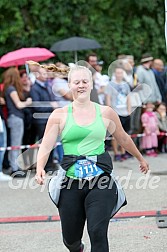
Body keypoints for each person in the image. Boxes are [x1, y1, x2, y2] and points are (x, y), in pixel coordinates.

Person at [35, 63, 149, 252]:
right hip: (70, 182)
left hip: (101, 181)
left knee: (97, 231)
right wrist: (40, 167)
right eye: (77, 82)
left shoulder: (105, 112)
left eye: (85, 81)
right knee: (70, 239)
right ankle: (77, 247)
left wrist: (140, 158)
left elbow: (123, 138)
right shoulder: (60, 115)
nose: (81, 85)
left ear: (91, 85)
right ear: (69, 85)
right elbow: (46, 143)